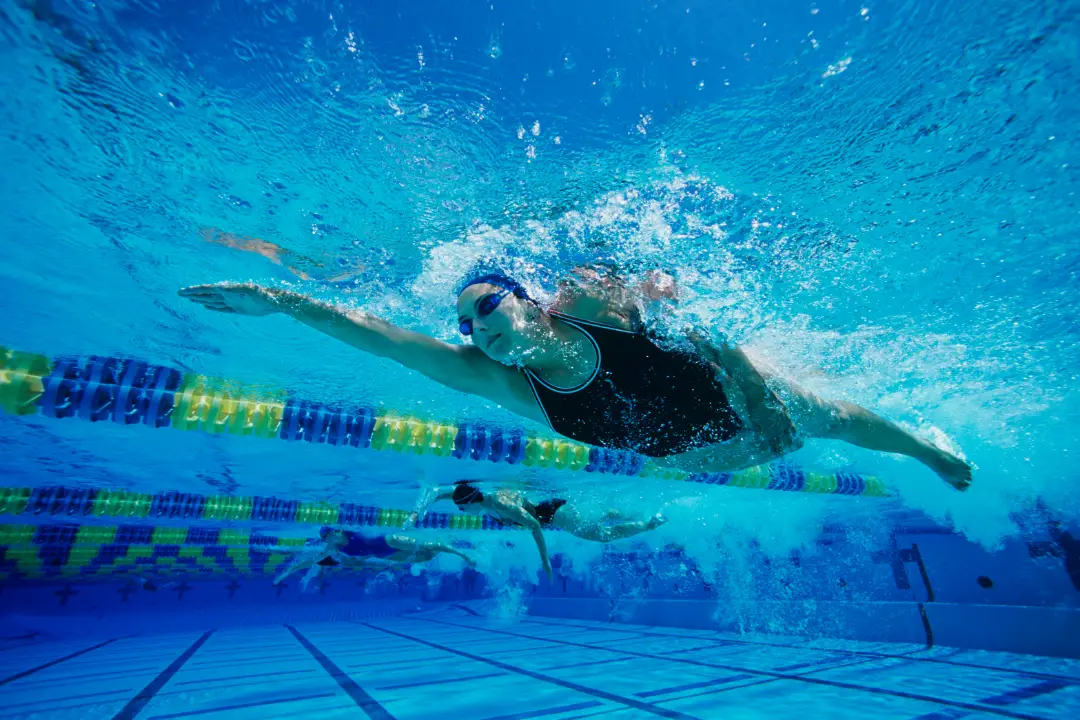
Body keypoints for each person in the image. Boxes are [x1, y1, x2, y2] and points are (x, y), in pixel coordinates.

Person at [179, 262, 972, 490]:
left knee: (826, 416)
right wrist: (282, 303)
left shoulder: (589, 298)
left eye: (487, 308)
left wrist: (754, 395)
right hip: (708, 457)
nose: (477, 332)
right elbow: (382, 340)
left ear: (528, 301)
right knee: (791, 433)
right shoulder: (503, 382)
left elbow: (691, 311)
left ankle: (927, 451)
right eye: (464, 326)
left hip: (740, 400)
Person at [405, 481, 668, 578]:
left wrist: (545, 561)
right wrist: (417, 512)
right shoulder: (473, 496)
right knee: (603, 514)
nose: (461, 512)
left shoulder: (500, 503)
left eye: (462, 509)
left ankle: (649, 523)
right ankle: (640, 513)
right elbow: (437, 492)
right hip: (554, 512)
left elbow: (534, 527)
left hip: (555, 514)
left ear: (469, 503)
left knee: (602, 535)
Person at [272, 527, 475, 592]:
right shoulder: (332, 547)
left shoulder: (346, 530)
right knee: (427, 556)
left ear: (334, 532)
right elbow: (311, 561)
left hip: (390, 542)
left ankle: (463, 553)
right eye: (325, 540)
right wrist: (287, 573)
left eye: (328, 537)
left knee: (428, 547)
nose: (328, 542)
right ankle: (453, 545)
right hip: (386, 554)